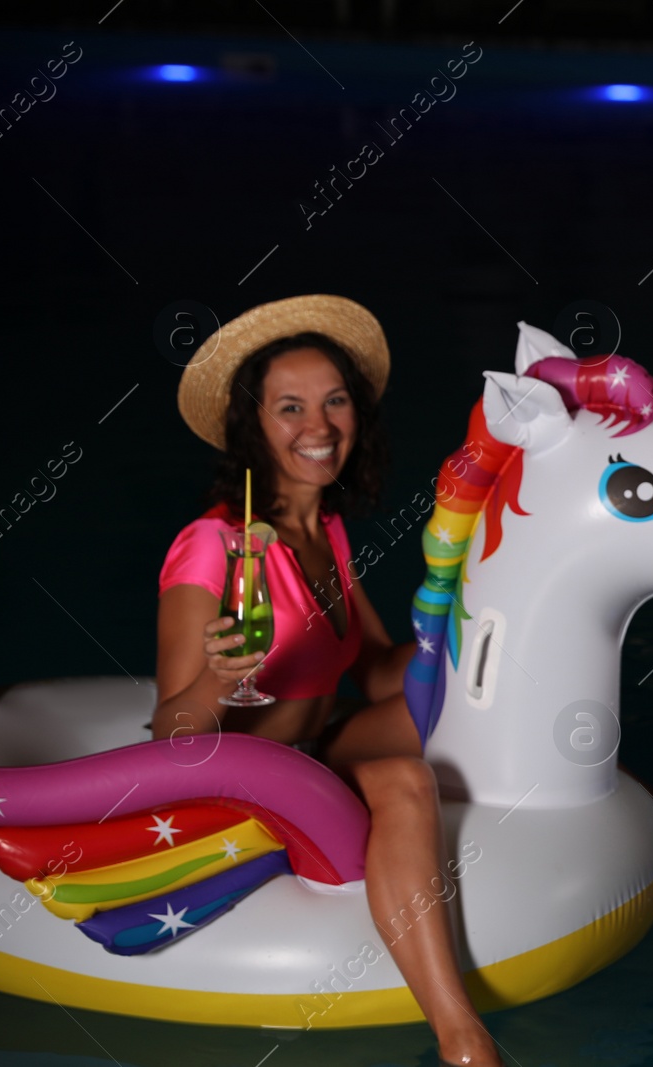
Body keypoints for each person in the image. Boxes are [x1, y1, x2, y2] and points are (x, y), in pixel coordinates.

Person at [154, 295, 503, 1067]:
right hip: (232, 779)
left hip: (312, 752)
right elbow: (170, 735)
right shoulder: (212, 546)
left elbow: (383, 670)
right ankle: (465, 1039)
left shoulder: (327, 530)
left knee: (477, 709)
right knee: (405, 777)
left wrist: (470, 606)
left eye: (335, 400)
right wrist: (218, 677)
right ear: (254, 427)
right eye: (290, 407)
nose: (319, 426)